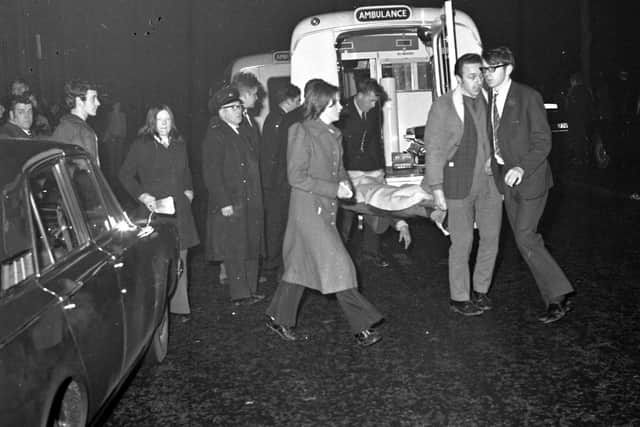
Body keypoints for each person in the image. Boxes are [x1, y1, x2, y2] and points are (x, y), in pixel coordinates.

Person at [265, 79, 384, 347]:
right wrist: (333, 189)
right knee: (338, 264)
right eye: (336, 102)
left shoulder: (334, 134)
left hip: (325, 209)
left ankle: (277, 317)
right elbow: (296, 177)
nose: (342, 106)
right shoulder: (301, 132)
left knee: (299, 268)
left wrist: (346, 186)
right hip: (307, 210)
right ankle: (362, 325)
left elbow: (339, 169)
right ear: (322, 105)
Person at [482, 46, 574, 324]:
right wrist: (493, 160)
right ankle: (555, 299)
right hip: (506, 179)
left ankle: (560, 294)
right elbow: (497, 135)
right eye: (484, 69)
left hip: (531, 179)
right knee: (526, 243)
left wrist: (522, 166)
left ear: (508, 68)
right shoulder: (489, 98)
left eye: (491, 69)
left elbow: (543, 141)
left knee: (525, 237)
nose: (486, 74)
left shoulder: (528, 96)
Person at [423, 53, 502, 316]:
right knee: (463, 241)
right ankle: (459, 297)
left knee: (491, 239)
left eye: (481, 74)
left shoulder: (493, 100)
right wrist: (436, 189)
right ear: (458, 78)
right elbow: (433, 149)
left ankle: (480, 291)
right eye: (471, 76)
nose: (478, 80)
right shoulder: (443, 106)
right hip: (457, 183)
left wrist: (498, 158)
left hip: (490, 183)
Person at [119, 104, 199, 319]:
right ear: (151, 122)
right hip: (154, 212)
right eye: (159, 120)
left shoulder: (179, 144)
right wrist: (143, 195)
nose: (164, 124)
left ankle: (180, 307)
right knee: (159, 261)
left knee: (181, 258)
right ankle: (156, 310)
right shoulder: (141, 145)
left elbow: (187, 172)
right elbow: (125, 175)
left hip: (180, 210)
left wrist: (189, 191)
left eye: (168, 119)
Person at [202, 86, 265, 306]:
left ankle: (251, 289)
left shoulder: (242, 131)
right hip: (233, 202)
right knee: (235, 248)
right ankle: (240, 294)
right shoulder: (216, 135)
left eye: (239, 106)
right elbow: (212, 173)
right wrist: (224, 202)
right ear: (221, 112)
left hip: (249, 199)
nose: (239, 110)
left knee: (251, 244)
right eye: (233, 107)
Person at [336, 78, 390, 268]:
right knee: (346, 215)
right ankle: (340, 258)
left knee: (375, 209)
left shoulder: (374, 111)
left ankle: (371, 252)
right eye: (372, 100)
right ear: (359, 96)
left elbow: (376, 140)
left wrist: (380, 167)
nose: (375, 105)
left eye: (376, 101)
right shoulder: (342, 112)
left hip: (372, 167)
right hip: (350, 169)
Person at [259, 83, 301, 280]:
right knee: (276, 224)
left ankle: (276, 263)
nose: (299, 103)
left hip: (278, 180)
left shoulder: (279, 117)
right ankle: (273, 264)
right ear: (289, 100)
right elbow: (274, 154)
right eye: (297, 100)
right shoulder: (277, 119)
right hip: (276, 183)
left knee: (279, 223)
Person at [52, 80, 101, 163]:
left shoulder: (63, 125)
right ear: (79, 101)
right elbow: (90, 172)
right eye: (93, 98)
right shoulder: (84, 131)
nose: (98, 103)